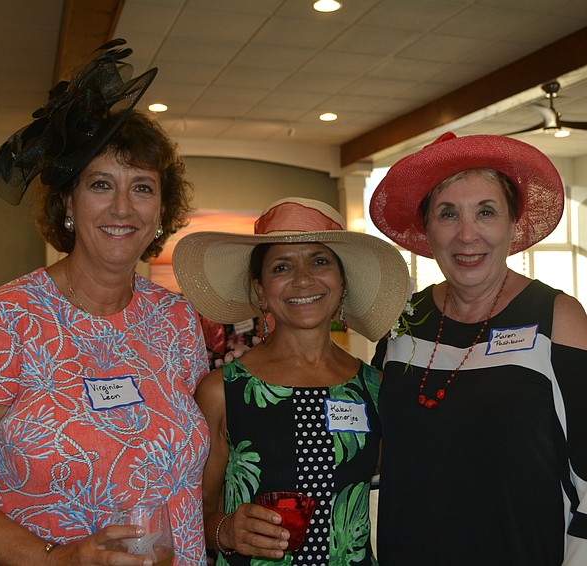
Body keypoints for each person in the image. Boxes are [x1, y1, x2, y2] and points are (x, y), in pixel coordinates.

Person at [0, 39, 210, 566]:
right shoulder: (3, 320)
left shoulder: (177, 319)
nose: (122, 207)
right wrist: (54, 558)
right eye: (100, 184)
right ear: (68, 202)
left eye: (142, 187)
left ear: (161, 209)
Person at [369, 132, 587, 565]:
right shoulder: (405, 320)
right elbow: (377, 447)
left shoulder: (557, 317)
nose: (467, 233)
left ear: (513, 225)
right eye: (447, 214)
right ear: (427, 229)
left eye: (485, 212)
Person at [172, 197, 410, 565]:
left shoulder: (376, 388)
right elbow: (189, 516)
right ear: (260, 290)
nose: (303, 278)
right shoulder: (223, 391)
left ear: (342, 281)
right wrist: (227, 530)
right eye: (282, 266)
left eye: (319, 260)